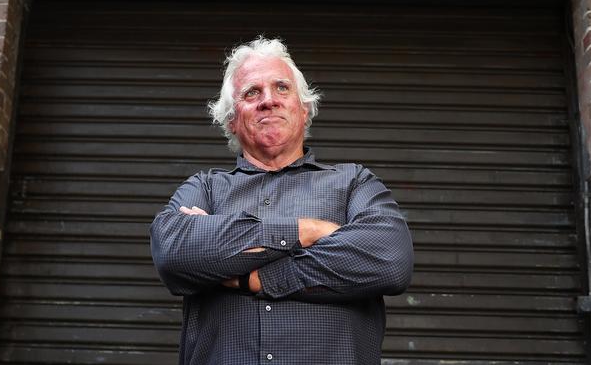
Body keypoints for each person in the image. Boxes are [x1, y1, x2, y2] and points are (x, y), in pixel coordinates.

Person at [150, 36, 414, 365]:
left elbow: (389, 260)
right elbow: (175, 253)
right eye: (252, 93)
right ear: (231, 119)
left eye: (281, 88)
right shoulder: (205, 187)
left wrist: (257, 277)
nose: (268, 101)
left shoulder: (354, 183)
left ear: (304, 110)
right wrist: (307, 230)